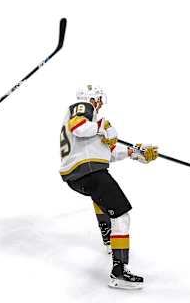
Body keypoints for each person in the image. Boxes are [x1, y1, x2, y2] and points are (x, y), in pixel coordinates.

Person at [59, 85, 158, 289]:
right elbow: (79, 127)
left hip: (79, 175)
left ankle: (108, 239)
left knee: (102, 199)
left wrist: (135, 152)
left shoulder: (92, 128)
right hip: (89, 171)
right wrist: (103, 125)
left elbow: (109, 152)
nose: (100, 105)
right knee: (121, 214)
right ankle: (119, 272)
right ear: (92, 98)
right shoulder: (83, 107)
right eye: (99, 100)